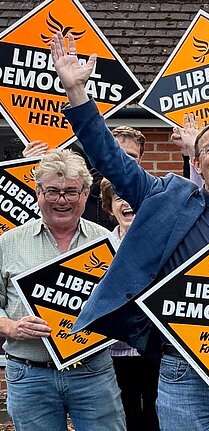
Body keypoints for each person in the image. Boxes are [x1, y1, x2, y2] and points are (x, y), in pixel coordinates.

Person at [51, 32, 209, 430]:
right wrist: (76, 93)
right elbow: (110, 158)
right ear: (198, 161)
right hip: (182, 371)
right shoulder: (166, 196)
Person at [0, 149, 125, 430]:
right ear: (38, 192)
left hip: (93, 371)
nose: (61, 200)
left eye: (71, 192)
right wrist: (10, 327)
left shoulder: (107, 244)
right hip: (29, 374)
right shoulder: (7, 243)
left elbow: (125, 303)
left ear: (85, 194)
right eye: (53, 191)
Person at [100, 179, 160, 431]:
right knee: (126, 417)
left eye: (129, 196)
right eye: (117, 198)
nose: (125, 202)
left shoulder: (162, 244)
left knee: (156, 416)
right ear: (109, 207)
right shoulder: (98, 246)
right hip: (113, 353)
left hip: (154, 350)